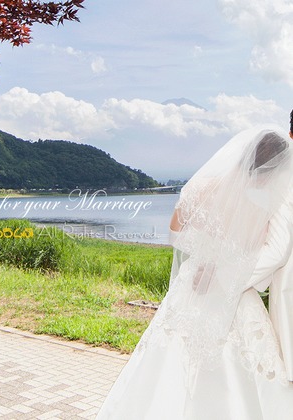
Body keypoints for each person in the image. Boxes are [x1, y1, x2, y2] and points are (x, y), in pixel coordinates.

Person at [96, 125, 293, 420]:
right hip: (234, 294)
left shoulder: (202, 187)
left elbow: (175, 232)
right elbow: (263, 254)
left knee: (171, 359)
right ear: (271, 171)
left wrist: (205, 255)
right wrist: (222, 266)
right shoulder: (259, 209)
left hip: (192, 285)